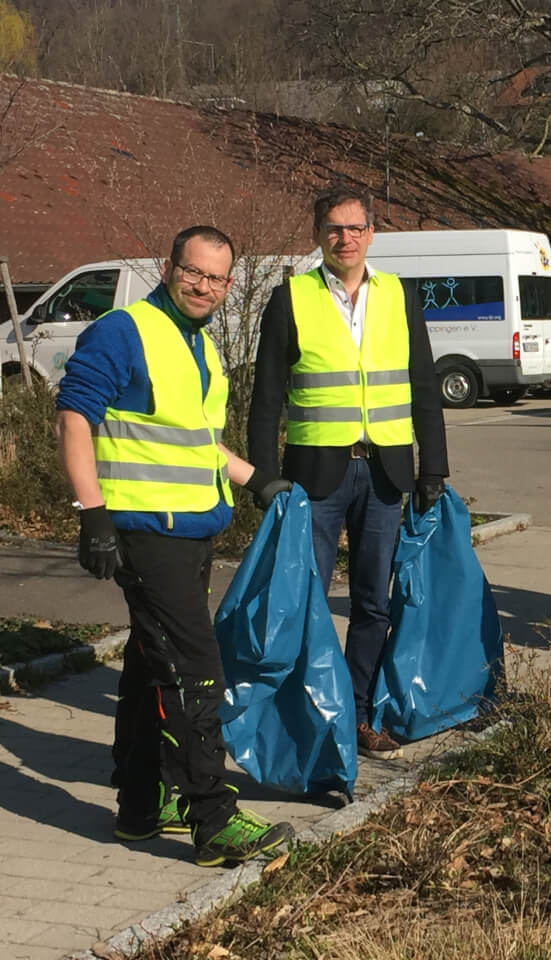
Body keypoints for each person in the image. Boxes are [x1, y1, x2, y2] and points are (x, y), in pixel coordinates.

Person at [55, 225, 294, 866]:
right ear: (170, 267)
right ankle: (213, 821)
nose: (204, 286)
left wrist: (257, 482)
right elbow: (75, 414)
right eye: (195, 272)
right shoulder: (123, 330)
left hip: (190, 532)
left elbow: (194, 442)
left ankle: (139, 807)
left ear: (229, 284)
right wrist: (92, 512)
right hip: (143, 531)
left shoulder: (203, 347)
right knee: (195, 672)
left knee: (146, 669)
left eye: (217, 278)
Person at [247, 185, 450, 761]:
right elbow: (266, 399)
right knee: (304, 600)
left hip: (386, 473)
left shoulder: (398, 296)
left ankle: (357, 715)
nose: (346, 238)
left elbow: (423, 387)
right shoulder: (290, 298)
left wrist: (432, 464)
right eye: (334, 228)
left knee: (373, 604)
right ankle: (307, 718)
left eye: (356, 228)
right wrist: (262, 477)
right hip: (315, 475)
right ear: (317, 236)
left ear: (371, 234)